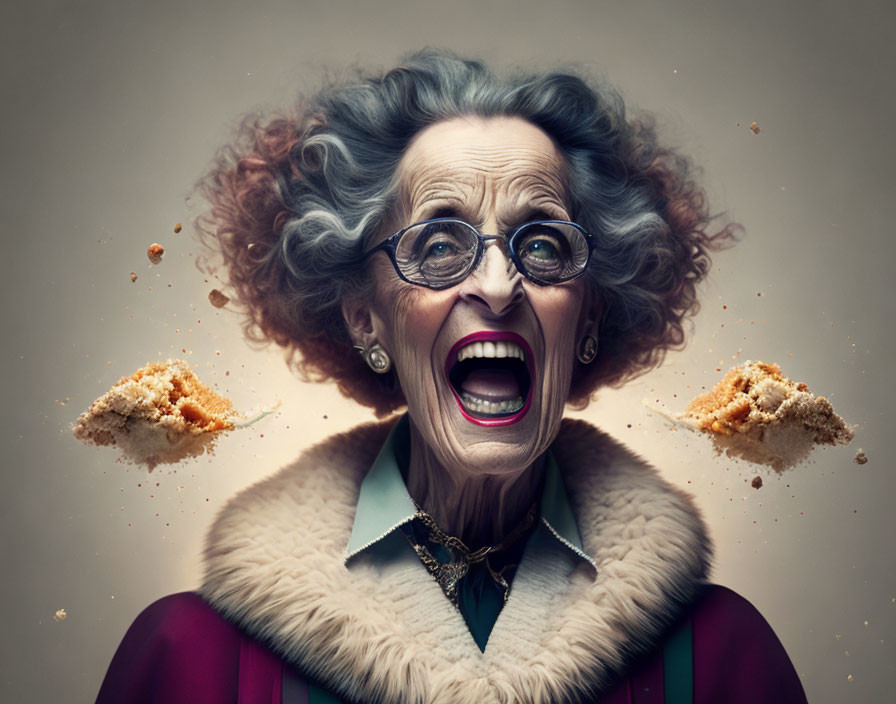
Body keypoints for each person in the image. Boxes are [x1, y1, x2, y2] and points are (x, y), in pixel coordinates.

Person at [96, 51, 808, 703]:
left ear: (588, 316)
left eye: (543, 243)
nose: (499, 285)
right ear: (364, 318)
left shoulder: (720, 659)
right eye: (439, 244)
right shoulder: (194, 661)